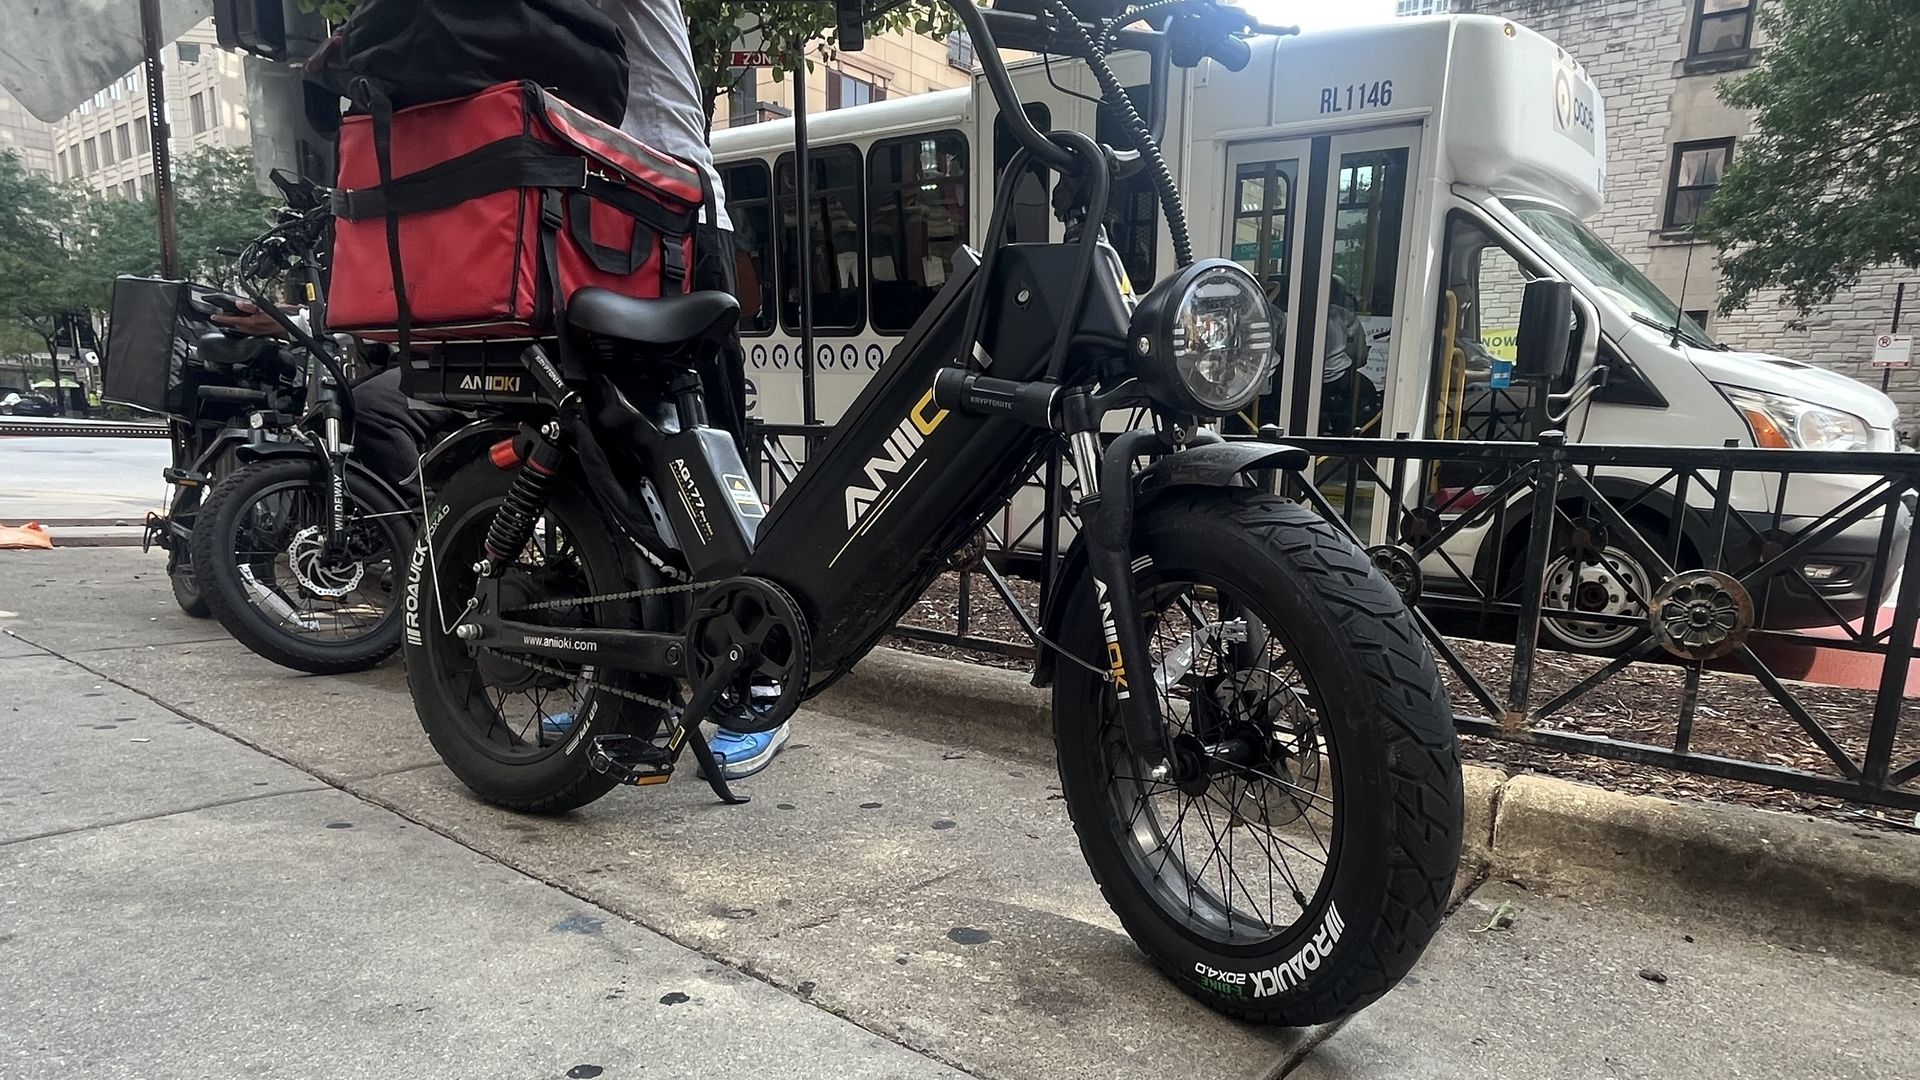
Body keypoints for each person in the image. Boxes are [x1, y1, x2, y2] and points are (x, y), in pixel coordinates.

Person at [590, 0, 790, 781]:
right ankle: (639, 691)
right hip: (596, 214)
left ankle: (753, 686)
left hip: (670, 213)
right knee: (624, 472)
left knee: (705, 467)